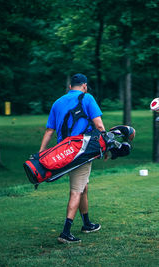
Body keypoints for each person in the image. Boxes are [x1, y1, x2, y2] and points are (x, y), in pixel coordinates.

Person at [39, 73, 105, 244]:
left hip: (63, 153)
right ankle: (65, 232)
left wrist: (42, 153)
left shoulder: (57, 102)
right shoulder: (87, 98)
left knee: (83, 187)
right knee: (76, 190)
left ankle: (87, 223)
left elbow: (49, 131)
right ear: (84, 86)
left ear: (70, 87)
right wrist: (105, 145)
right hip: (80, 151)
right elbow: (98, 124)